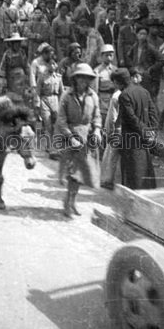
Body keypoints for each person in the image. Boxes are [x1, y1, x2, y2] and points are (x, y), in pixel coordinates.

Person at [56, 63, 102, 217]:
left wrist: (96, 130)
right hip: (71, 136)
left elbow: (97, 116)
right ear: (75, 79)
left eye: (87, 79)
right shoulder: (67, 96)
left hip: (87, 138)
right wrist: (70, 137)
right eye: (81, 78)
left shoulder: (93, 96)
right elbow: (61, 120)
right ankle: (67, 202)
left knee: (82, 174)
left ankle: (73, 201)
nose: (84, 82)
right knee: (72, 173)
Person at [117, 67, 158, 190]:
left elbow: (131, 118)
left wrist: (146, 132)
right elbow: (153, 113)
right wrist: (152, 132)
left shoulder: (124, 95)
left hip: (131, 139)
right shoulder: (144, 91)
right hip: (145, 139)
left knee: (132, 172)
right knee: (145, 168)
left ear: (118, 82)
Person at [33, 44, 62, 160]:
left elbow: (61, 92)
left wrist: (62, 105)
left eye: (55, 64)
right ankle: (51, 149)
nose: (53, 66)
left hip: (55, 101)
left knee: (57, 125)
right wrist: (37, 104)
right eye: (51, 64)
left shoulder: (59, 77)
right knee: (48, 124)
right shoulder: (42, 77)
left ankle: (55, 146)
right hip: (45, 100)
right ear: (47, 66)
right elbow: (37, 92)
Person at [100, 69, 127, 190]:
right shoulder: (129, 93)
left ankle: (107, 179)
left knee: (111, 155)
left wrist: (108, 131)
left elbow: (112, 117)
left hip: (117, 129)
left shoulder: (116, 96)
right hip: (126, 129)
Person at [125, 25, 164, 102]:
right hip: (136, 75)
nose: (142, 36)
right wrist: (132, 68)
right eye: (140, 34)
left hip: (147, 77)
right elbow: (128, 57)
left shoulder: (150, 48)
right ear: (137, 35)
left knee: (148, 99)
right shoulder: (135, 46)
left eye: (144, 34)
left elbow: (163, 60)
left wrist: (151, 69)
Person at [94, 44, 118, 124]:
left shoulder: (115, 70)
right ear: (102, 56)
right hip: (103, 101)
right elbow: (95, 90)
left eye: (111, 55)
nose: (109, 57)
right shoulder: (97, 71)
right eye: (106, 55)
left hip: (114, 100)